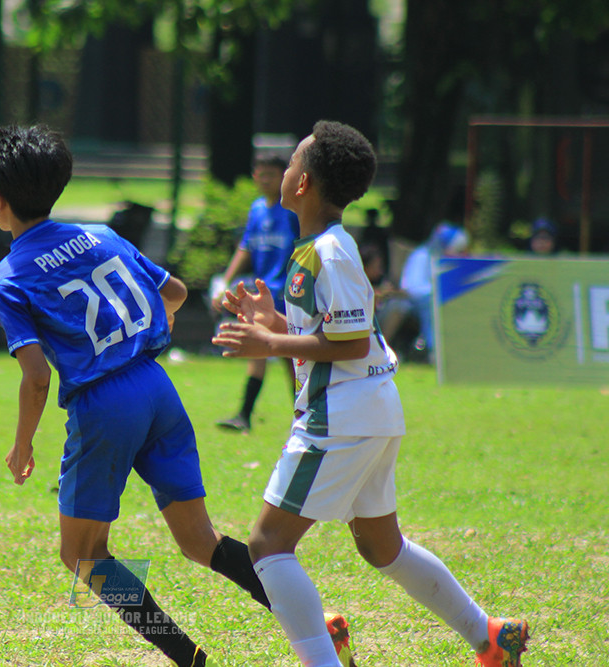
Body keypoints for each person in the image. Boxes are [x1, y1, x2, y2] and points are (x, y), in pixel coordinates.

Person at [0, 124, 354, 667]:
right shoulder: (102, 236)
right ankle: (313, 622)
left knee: (83, 556)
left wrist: (22, 445)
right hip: (158, 390)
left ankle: (188, 658)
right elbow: (174, 293)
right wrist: (150, 327)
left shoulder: (7, 277)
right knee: (199, 540)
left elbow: (36, 376)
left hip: (103, 404)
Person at [212, 120, 529, 667]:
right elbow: (331, 330)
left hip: (343, 416)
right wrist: (272, 320)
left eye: (290, 163)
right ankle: (489, 637)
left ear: (304, 183)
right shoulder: (317, 248)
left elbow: (352, 341)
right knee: (382, 547)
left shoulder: (329, 251)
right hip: (370, 410)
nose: (283, 171)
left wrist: (268, 339)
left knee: (266, 545)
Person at [211, 153, 300, 434]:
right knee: (258, 350)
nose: (264, 180)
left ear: (283, 176)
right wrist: (225, 279)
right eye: (259, 174)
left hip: (288, 293)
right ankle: (245, 415)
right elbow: (245, 246)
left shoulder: (292, 210)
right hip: (263, 295)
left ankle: (303, 415)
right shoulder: (257, 208)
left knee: (290, 357)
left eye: (270, 175)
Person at [399, 221, 468, 358]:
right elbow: (413, 287)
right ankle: (434, 350)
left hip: (436, 297)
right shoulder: (422, 255)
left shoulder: (442, 258)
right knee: (432, 304)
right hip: (416, 301)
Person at [358, 241, 419, 359]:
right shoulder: (356, 282)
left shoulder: (379, 281)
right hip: (360, 328)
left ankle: (382, 348)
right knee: (399, 307)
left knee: (402, 305)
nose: (380, 270)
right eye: (376, 266)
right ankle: (379, 349)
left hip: (371, 326)